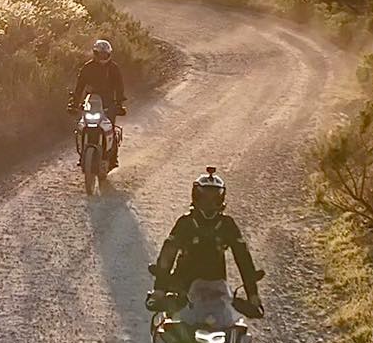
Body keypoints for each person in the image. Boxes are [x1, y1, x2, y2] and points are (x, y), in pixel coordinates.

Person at [149, 167, 263, 325]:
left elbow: (242, 257)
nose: (209, 203)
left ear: (221, 199)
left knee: (235, 332)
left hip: (217, 293)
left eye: (215, 198)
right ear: (196, 197)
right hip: (183, 290)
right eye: (204, 198)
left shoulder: (227, 224)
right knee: (172, 329)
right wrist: (160, 289)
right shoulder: (186, 223)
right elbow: (168, 253)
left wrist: (253, 294)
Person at [68, 38, 126, 169]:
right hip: (91, 102)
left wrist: (119, 103)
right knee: (82, 126)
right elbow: (80, 86)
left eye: (105, 54)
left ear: (109, 54)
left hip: (108, 103)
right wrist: (74, 103)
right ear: (95, 54)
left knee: (110, 127)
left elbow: (119, 86)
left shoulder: (114, 68)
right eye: (100, 54)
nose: (103, 57)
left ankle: (113, 158)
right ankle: (83, 155)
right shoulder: (87, 67)